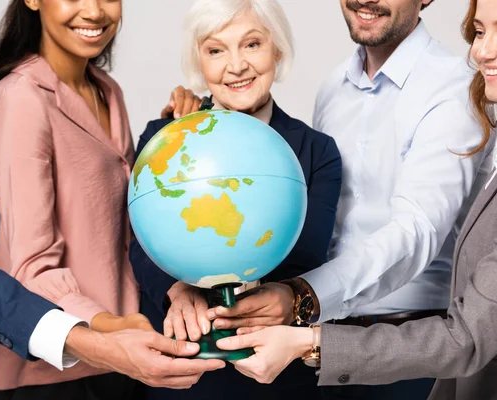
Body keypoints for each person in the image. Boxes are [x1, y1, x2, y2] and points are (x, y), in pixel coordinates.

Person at [168, 0, 488, 398]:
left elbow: (416, 230)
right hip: (324, 348)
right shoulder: (334, 86)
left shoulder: (454, 86)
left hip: (409, 346)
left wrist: (303, 295)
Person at [0, 0, 224, 398]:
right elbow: (29, 264)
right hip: (54, 371)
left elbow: (121, 224)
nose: (94, 10)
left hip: (125, 352)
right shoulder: (21, 98)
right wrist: (110, 327)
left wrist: (170, 135)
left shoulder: (108, 92)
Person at [131, 0, 342, 398]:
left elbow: (308, 256)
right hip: (183, 364)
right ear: (199, 60)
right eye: (215, 50)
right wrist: (175, 290)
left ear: (276, 49)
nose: (236, 65)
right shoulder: (164, 140)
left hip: (277, 373)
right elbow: (139, 242)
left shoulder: (317, 151)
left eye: (251, 45)